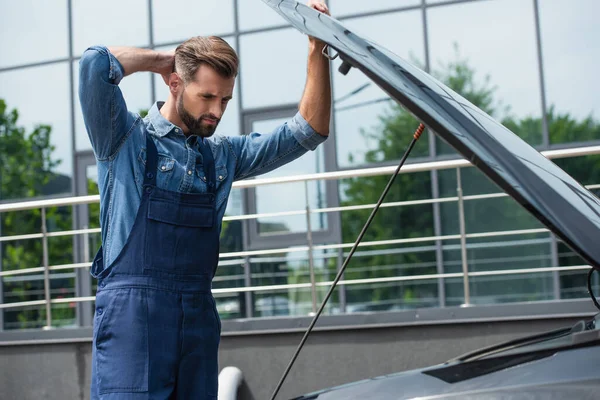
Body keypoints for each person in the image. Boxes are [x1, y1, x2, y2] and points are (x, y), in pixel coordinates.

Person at [78, 1, 331, 398]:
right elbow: (95, 66)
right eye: (207, 97)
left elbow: (309, 129)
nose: (217, 112)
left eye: (225, 101)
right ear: (175, 85)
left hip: (197, 318)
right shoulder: (124, 141)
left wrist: (318, 49)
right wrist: (167, 60)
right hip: (133, 320)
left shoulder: (223, 157)